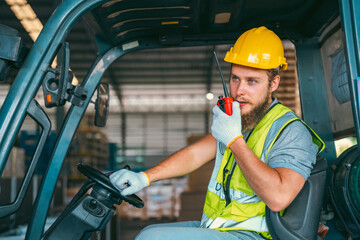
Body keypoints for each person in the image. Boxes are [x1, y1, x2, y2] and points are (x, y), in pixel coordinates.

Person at [110, 26, 324, 240]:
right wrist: (144, 177)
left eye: (252, 81)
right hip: (223, 227)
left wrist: (235, 141)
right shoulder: (241, 121)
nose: (239, 90)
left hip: (258, 235)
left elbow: (279, 197)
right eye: (235, 78)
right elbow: (195, 155)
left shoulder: (290, 131)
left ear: (273, 83)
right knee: (148, 232)